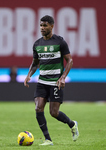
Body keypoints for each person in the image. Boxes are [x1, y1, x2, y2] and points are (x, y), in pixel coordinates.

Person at [24, 15, 79, 145]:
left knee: (54, 113)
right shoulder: (37, 44)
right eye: (41, 25)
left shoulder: (59, 42)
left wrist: (63, 77)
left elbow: (70, 60)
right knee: (38, 108)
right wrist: (28, 75)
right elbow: (35, 63)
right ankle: (48, 139)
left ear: (52, 26)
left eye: (45, 25)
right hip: (42, 82)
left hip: (55, 82)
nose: (42, 28)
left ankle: (72, 124)